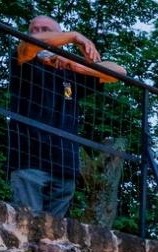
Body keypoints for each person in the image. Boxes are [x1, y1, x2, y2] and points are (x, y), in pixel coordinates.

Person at [7, 16, 124, 217]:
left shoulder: (69, 72)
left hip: (65, 165)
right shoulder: (23, 60)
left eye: (45, 29)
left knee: (53, 238)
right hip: (28, 160)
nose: (38, 32)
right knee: (25, 228)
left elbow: (119, 72)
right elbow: (31, 44)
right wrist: (75, 37)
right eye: (34, 29)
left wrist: (77, 65)